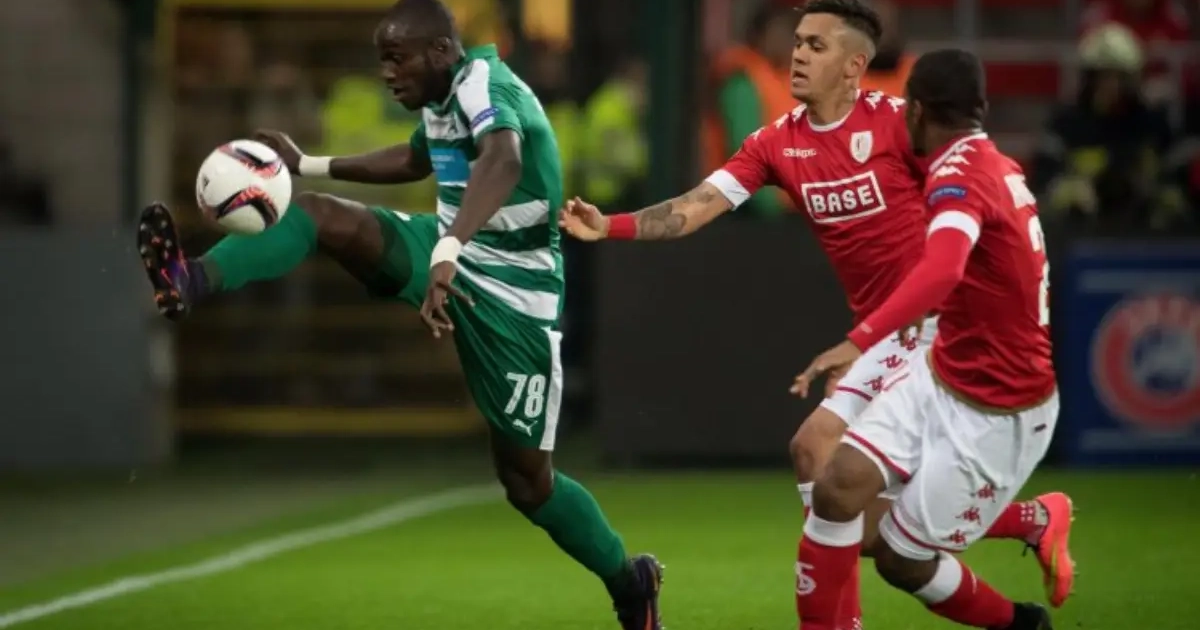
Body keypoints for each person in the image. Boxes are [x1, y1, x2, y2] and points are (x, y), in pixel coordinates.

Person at [135, 2, 664, 628]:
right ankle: (191, 278)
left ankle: (630, 581)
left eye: (397, 58)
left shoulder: (485, 86)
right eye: (381, 59)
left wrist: (449, 250)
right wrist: (307, 165)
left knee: (528, 484)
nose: (386, 72)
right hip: (445, 248)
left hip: (515, 295)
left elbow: (504, 161)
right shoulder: (443, 98)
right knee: (316, 213)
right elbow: (417, 158)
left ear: (440, 51)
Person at [557, 1, 1073, 627]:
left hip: (930, 326)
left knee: (836, 476)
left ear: (855, 65)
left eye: (816, 45)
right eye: (798, 42)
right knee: (829, 479)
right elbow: (697, 205)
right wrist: (609, 225)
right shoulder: (776, 142)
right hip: (882, 335)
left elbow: (967, 201)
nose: (798, 54)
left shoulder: (901, 126)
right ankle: (1024, 527)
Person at [789, 48, 1064, 630]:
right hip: (942, 374)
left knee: (898, 557)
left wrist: (859, 340)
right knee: (836, 489)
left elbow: (944, 268)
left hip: (999, 412)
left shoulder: (960, 176)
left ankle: (1021, 623)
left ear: (914, 110)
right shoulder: (991, 163)